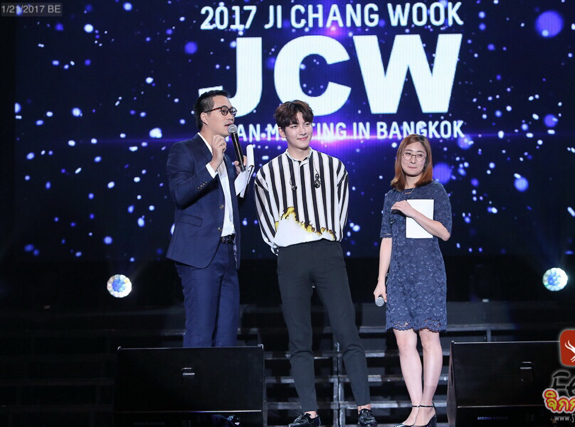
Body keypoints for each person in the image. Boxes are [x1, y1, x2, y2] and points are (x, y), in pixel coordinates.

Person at [254, 100, 378, 427]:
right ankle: (310, 413)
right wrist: (285, 247)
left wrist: (326, 239)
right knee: (299, 337)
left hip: (327, 252)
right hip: (290, 256)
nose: (302, 130)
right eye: (294, 124)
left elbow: (341, 211)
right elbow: (266, 220)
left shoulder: (333, 166)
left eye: (306, 123)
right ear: (282, 131)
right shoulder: (267, 173)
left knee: (346, 329)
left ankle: (364, 409)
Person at [373, 134, 452, 427]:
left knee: (429, 339)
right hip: (399, 276)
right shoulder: (391, 195)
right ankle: (417, 408)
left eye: (419, 155)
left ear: (426, 160)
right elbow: (386, 238)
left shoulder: (435, 190)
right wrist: (381, 280)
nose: (413, 159)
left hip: (428, 273)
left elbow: (444, 232)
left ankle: (427, 406)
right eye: (408, 154)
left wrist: (412, 211)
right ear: (400, 157)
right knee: (404, 342)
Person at [166, 89, 251, 348]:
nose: (230, 116)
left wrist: (241, 180)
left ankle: (222, 377)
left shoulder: (226, 157)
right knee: (201, 333)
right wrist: (213, 163)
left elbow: (225, 207)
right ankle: (193, 377)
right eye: (223, 111)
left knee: (227, 337)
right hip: (199, 253)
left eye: (232, 111)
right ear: (204, 116)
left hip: (228, 253)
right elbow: (180, 194)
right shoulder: (185, 150)